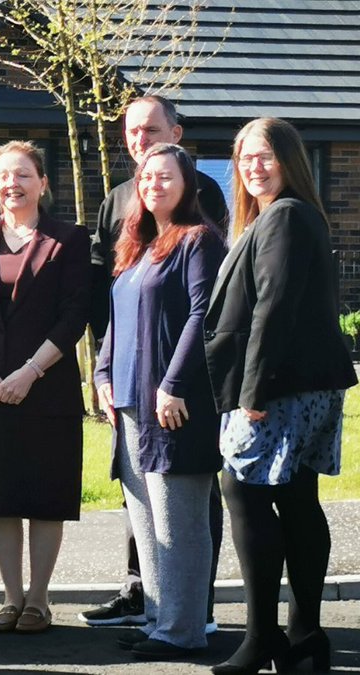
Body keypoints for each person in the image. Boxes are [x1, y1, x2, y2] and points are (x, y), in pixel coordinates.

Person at [205, 117, 356, 675]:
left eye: (265, 155)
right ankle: (303, 635)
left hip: (281, 385)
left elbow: (273, 307)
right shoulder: (280, 216)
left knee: (240, 488)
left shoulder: (287, 216)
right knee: (294, 499)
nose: (253, 166)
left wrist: (253, 389)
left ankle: (267, 636)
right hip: (303, 382)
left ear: (290, 159)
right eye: (244, 157)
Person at [82, 94, 227, 631]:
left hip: (171, 400)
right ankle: (159, 618)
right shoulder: (137, 242)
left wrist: (173, 384)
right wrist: (101, 374)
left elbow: (201, 315)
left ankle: (187, 625)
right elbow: (115, 312)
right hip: (129, 398)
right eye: (146, 178)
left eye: (165, 177)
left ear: (187, 182)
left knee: (180, 518)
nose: (153, 183)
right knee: (146, 517)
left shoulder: (198, 238)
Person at [0, 140, 89, 634]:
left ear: (43, 182)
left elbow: (75, 315)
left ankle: (40, 599)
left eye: (24, 174)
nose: (13, 184)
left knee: (45, 495)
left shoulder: (69, 239)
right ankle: (10, 597)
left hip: (46, 390)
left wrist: (30, 371)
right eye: (4, 176)